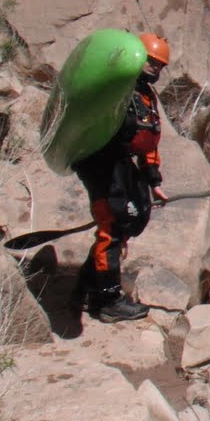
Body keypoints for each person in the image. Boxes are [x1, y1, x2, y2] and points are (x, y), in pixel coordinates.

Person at [72, 33, 170, 322]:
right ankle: (107, 301)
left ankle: (88, 285)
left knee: (127, 222)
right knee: (112, 227)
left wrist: (153, 179)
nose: (154, 68)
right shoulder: (117, 88)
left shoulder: (146, 96)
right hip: (101, 163)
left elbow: (148, 139)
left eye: (159, 65)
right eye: (151, 61)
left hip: (121, 164)